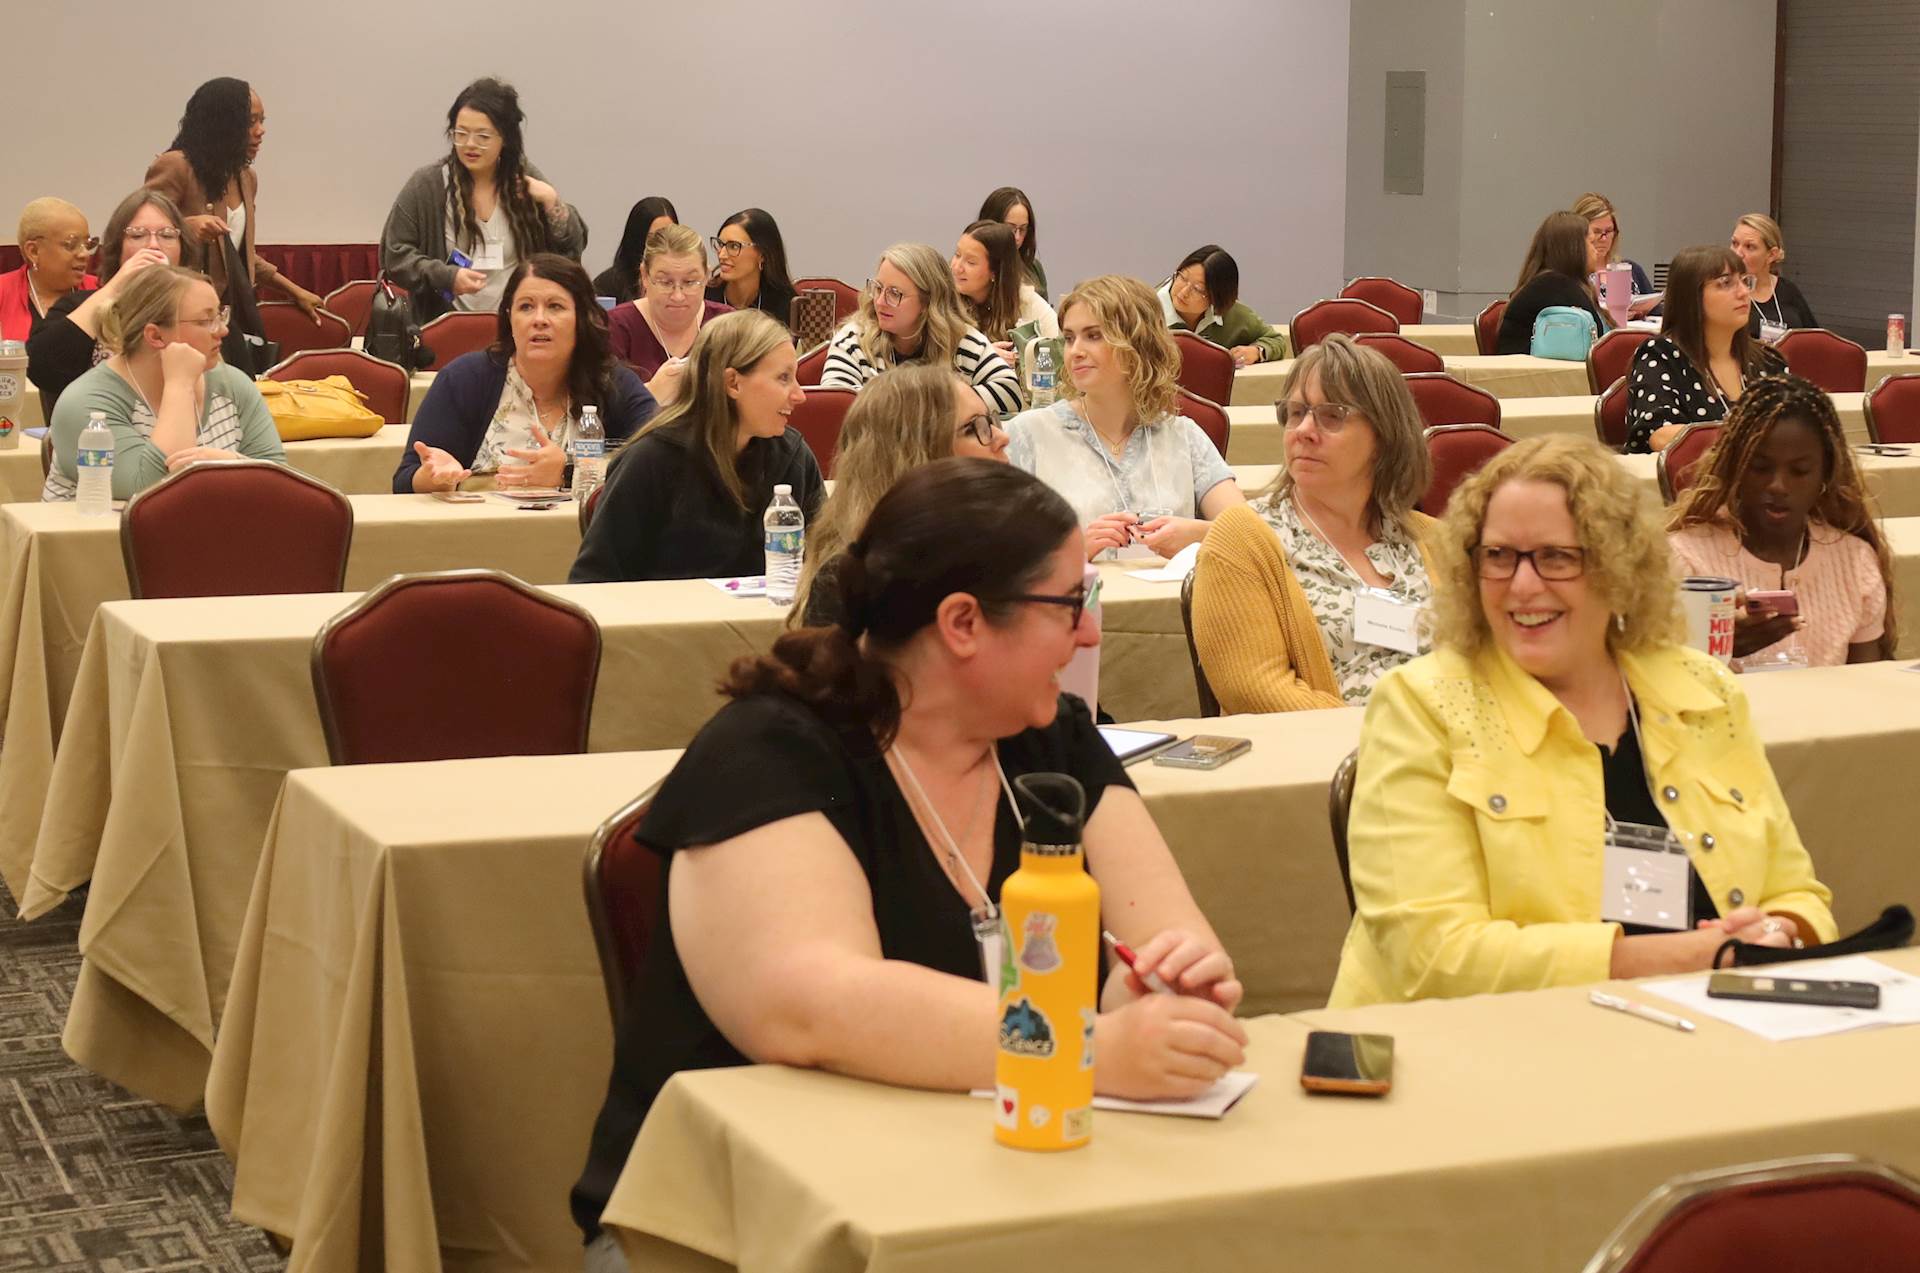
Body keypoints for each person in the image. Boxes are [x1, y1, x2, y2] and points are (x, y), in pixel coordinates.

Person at [570, 457, 1248, 1264]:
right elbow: (815, 1005)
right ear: (963, 622)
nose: (1092, 633)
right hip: (730, 1227)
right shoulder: (768, 750)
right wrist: (1094, 1048)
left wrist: (1161, 988)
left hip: (991, 1192)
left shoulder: (1052, 739)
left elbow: (1169, 935)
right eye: (1071, 604)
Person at [1328, 434, 1838, 1008]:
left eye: (1557, 557)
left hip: (1709, 1020)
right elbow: (1432, 957)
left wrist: (1780, 933)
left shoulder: (1704, 689)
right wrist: (1695, 958)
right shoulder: (1420, 708)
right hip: (1488, 1040)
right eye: (1498, 556)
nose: (1523, 585)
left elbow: (1798, 891)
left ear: (1618, 567)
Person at [1190, 334, 1436, 711]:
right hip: (1333, 744)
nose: (1303, 430)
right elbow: (1254, 689)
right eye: (1296, 412)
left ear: (1384, 434)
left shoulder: (1434, 539)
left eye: (1331, 415)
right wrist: (1396, 734)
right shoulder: (1242, 540)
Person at [570, 310, 822, 582]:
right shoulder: (649, 461)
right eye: (783, 378)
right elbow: (591, 581)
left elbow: (828, 564)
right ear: (733, 383)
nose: (800, 395)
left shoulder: (793, 457)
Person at [1007, 274, 1243, 560]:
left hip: (1169, 591)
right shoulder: (1029, 435)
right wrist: (1069, 552)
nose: (1075, 351)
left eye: (1094, 336)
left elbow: (1250, 534)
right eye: (1069, 338)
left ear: (1138, 344)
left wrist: (1198, 535)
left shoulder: (1183, 437)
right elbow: (990, 549)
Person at [1668, 375, 1892, 669]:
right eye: (1760, 468)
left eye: (1799, 471)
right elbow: (1655, 680)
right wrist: (1717, 649)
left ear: (1825, 475)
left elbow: (1868, 683)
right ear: (1734, 467)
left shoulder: (1854, 561)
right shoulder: (1685, 558)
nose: (1778, 486)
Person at [395, 255, 654, 494]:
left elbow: (663, 459)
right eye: (526, 307)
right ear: (510, 318)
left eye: (555, 306)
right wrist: (432, 477)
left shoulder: (611, 382)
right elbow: (404, 481)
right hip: (484, 527)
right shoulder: (465, 379)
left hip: (582, 529)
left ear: (581, 317)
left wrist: (568, 472)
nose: (539, 319)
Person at [42, 265, 285, 501]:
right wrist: (180, 384)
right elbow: (153, 494)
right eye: (205, 320)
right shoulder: (87, 402)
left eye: (220, 315)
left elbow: (281, 485)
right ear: (156, 336)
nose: (223, 331)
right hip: (102, 530)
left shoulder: (232, 384)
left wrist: (232, 465)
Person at [793, 363, 1011, 625]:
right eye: (973, 428)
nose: (1001, 437)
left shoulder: (1010, 549)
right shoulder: (854, 585)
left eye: (990, 421)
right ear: (916, 456)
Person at [145, 79, 326, 370]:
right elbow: (140, 235)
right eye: (251, 121)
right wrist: (186, 227)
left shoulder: (246, 178)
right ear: (223, 123)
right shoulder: (176, 166)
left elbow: (241, 257)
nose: (260, 130)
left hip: (227, 317)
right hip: (178, 316)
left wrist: (295, 291)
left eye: (262, 121)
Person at [380, 78, 587, 326]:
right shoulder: (428, 185)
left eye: (483, 136)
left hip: (515, 327)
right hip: (444, 327)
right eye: (461, 134)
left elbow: (572, 247)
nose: (470, 144)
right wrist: (446, 276)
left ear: (505, 138)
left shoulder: (524, 179)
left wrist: (552, 201)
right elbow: (394, 255)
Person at [28, 190, 193, 417]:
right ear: (118, 248)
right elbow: (41, 368)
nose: (154, 245)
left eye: (167, 235)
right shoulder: (78, 305)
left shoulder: (201, 310)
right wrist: (116, 286)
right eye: (138, 235)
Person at [819, 243, 1022, 415]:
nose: (879, 302)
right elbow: (835, 406)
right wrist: (938, 405)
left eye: (895, 293)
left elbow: (1010, 393)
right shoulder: (854, 339)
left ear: (928, 302)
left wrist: (925, 405)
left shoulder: (961, 339)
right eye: (878, 288)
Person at [1624, 245, 1785, 454]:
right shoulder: (1662, 355)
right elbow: (1660, 435)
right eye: (1726, 283)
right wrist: (1751, 438)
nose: (1744, 292)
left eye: (1745, 281)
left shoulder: (1768, 361)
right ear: (1691, 295)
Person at [607, 224, 729, 403]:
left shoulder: (727, 324)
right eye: (665, 282)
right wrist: (649, 394)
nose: (678, 296)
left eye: (690, 282)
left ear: (706, 276)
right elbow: (599, 408)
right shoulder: (615, 327)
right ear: (645, 276)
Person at [1496, 211, 1610, 355]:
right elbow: (1597, 340)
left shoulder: (1549, 282)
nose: (1596, 251)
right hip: (1528, 368)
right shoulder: (1556, 286)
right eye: (1592, 242)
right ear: (1575, 249)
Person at [951, 220, 1057, 369]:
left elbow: (1058, 353)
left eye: (971, 262)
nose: (956, 267)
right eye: (957, 255)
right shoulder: (943, 300)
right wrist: (980, 356)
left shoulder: (1027, 303)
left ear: (995, 272)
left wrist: (1020, 361)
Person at [1159, 245, 1288, 368]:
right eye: (1182, 278)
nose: (1183, 292)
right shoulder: (1149, 310)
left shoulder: (1232, 313)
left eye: (1198, 289)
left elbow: (1275, 340)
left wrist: (1256, 351)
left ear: (1218, 297)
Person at [1, 198, 99, 341]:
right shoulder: (3, 292)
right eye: (71, 244)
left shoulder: (101, 291)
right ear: (33, 251)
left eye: (87, 244)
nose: (84, 254)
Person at [706, 207, 797, 327]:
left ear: (762, 254)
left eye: (734, 246)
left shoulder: (786, 305)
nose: (721, 255)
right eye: (720, 244)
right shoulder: (704, 297)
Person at [1731, 213, 1818, 339]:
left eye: (1749, 247)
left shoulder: (1788, 289)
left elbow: (1814, 338)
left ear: (1771, 255)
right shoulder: (1726, 292)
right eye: (1734, 243)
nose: (1738, 253)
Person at [1572, 191, 1656, 306]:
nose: (1604, 238)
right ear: (1580, 233)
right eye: (1596, 232)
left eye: (1608, 231)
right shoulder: (1572, 277)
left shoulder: (1632, 270)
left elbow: (1656, 311)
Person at [591, 196, 677, 302]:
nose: (663, 243)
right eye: (654, 237)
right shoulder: (607, 286)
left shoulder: (684, 283)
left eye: (669, 235)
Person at [978, 186, 1047, 300]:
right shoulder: (971, 267)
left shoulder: (1034, 268)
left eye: (1023, 229)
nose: (1017, 237)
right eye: (1010, 229)